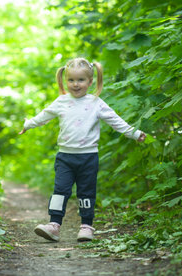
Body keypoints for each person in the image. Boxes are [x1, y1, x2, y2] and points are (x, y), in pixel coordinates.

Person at [18, 57, 146, 242]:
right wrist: (28, 124)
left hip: (88, 157)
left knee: (86, 192)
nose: (75, 84)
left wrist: (134, 133)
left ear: (90, 81)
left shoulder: (96, 102)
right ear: (65, 80)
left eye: (80, 80)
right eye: (71, 80)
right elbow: (44, 115)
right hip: (65, 157)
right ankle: (54, 225)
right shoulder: (62, 101)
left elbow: (115, 120)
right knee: (60, 190)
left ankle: (86, 226)